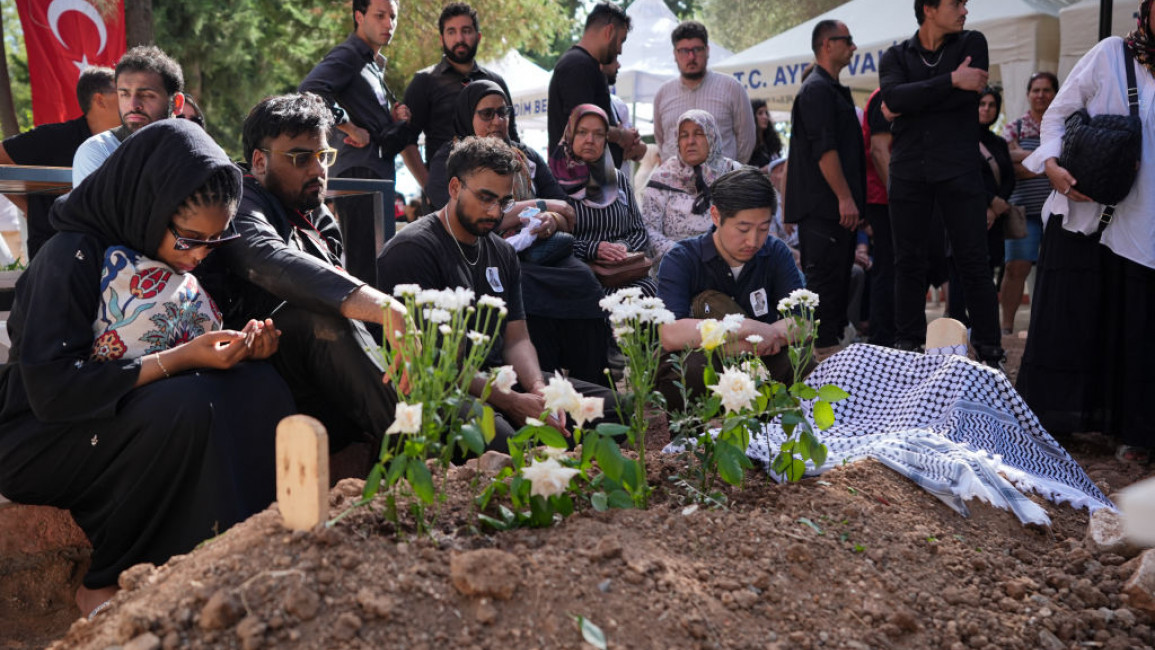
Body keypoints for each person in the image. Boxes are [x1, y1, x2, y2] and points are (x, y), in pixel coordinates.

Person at [0, 120, 294, 619]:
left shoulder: (173, 255)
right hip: (42, 434)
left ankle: (244, 559)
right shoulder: (71, 257)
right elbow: (53, 392)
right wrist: (181, 358)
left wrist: (241, 349)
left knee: (258, 384)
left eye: (215, 242)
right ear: (147, 206)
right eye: (190, 240)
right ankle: (108, 580)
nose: (201, 255)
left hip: (129, 411)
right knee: (185, 406)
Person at [195, 92, 406, 466]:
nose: (318, 169)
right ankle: (424, 457)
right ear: (259, 161)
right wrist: (386, 308)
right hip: (248, 366)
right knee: (323, 318)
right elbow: (267, 258)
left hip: (320, 377)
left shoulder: (317, 214)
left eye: (323, 156)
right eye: (300, 158)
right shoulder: (239, 197)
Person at [377, 137, 617, 447]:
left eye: (504, 202)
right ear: (453, 188)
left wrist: (537, 389)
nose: (494, 212)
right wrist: (513, 402)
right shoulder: (413, 251)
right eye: (485, 197)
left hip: (501, 378)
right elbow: (435, 366)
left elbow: (517, 338)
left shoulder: (502, 252)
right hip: (440, 388)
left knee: (615, 410)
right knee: (505, 441)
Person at [1017, 1, 1155, 462]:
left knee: (1133, 328)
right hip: (1081, 213)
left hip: (1141, 226)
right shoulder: (1111, 54)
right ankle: (1053, 423)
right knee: (1068, 320)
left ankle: (1130, 432)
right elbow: (1057, 115)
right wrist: (1052, 167)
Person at [421, 81, 611, 385]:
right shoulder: (452, 158)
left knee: (583, 280)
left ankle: (592, 384)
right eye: (486, 114)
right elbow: (470, 214)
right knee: (525, 290)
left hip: (544, 249)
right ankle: (539, 383)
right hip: (486, 252)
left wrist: (549, 220)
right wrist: (542, 205)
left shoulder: (527, 157)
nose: (497, 121)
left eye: (503, 112)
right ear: (467, 116)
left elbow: (569, 216)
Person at [879, 0, 1004, 368]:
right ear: (929, 8)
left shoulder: (972, 43)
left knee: (973, 262)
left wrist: (913, 98)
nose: (965, 9)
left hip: (960, 169)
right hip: (908, 171)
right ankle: (908, 345)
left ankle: (990, 351)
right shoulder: (895, 55)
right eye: (956, 3)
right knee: (908, 262)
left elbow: (907, 101)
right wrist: (950, 80)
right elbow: (892, 99)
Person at [655, 167, 805, 409]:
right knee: (689, 367)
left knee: (803, 362)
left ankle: (774, 422)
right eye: (743, 229)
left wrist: (750, 344)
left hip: (761, 360)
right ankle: (693, 430)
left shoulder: (776, 252)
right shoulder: (681, 259)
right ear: (716, 216)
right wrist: (745, 329)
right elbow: (671, 334)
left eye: (764, 228)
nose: (753, 241)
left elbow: (802, 322)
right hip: (707, 364)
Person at [300, 0, 411, 287]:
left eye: (393, 17)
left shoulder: (370, 63)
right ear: (359, 17)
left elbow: (370, 118)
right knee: (366, 269)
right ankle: (367, 331)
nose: (389, 24)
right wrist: (347, 124)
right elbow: (310, 90)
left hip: (375, 177)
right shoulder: (349, 54)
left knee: (376, 266)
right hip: (360, 178)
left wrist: (393, 119)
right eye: (380, 15)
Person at [785, 19, 866, 358]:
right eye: (847, 40)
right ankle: (819, 362)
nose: (853, 47)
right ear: (827, 44)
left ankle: (829, 358)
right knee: (823, 288)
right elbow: (824, 150)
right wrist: (845, 198)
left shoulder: (830, 88)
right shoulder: (816, 89)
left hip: (835, 209)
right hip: (823, 208)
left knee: (836, 285)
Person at [0, 67, 118, 259]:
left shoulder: (128, 141)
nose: (133, 101)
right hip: (55, 259)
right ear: (100, 100)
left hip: (110, 257)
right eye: (123, 93)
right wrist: (30, 209)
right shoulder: (53, 137)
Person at [400, 2, 520, 191]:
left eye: (466, 31)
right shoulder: (425, 81)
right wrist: (431, 187)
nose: (460, 38)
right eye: (451, 32)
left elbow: (512, 137)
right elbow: (406, 141)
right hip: (446, 189)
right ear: (441, 39)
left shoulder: (495, 82)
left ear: (478, 36)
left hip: (494, 191)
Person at [551, 104, 656, 297]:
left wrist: (622, 248)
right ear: (570, 134)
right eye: (582, 132)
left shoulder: (617, 179)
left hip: (620, 272)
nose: (590, 140)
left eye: (598, 134)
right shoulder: (552, 179)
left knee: (649, 291)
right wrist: (593, 249)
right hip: (577, 273)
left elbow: (639, 231)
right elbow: (547, 239)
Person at [947, 86, 1014, 327]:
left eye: (991, 105)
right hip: (965, 215)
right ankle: (956, 325)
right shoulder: (959, 138)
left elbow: (1009, 178)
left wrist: (997, 205)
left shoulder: (999, 142)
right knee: (960, 270)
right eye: (981, 104)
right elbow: (962, 176)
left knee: (987, 270)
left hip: (994, 219)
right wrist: (988, 201)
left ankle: (983, 326)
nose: (986, 109)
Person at [641, 109, 743, 265]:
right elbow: (649, 228)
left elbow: (749, 219)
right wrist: (684, 255)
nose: (690, 141)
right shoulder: (663, 177)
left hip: (727, 259)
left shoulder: (733, 173)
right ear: (678, 142)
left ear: (711, 136)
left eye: (698, 133)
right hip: (677, 261)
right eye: (684, 135)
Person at [72, 46, 185, 185]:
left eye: (147, 95)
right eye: (124, 95)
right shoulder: (98, 151)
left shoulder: (193, 151)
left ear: (177, 103)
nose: (133, 105)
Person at [547, 2, 641, 169]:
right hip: (578, 185)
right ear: (609, 31)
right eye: (621, 41)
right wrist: (621, 136)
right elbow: (582, 126)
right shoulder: (578, 65)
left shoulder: (587, 66)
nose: (619, 50)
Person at [999, 72, 1058, 335]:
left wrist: (1027, 161)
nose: (1041, 95)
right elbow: (1008, 164)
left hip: (1059, 213)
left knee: (1056, 272)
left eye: (1046, 90)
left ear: (1055, 94)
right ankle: (1007, 328)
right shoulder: (1016, 127)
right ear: (1027, 94)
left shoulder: (1062, 125)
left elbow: (1021, 164)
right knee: (1016, 269)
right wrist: (1050, 163)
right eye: (1036, 90)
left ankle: (1049, 329)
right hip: (1023, 211)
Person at [652, 21, 756, 164]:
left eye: (697, 49)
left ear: (707, 50)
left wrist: (728, 176)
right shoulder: (662, 94)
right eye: (684, 51)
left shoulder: (732, 89)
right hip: (676, 184)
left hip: (722, 183)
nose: (691, 57)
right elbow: (661, 140)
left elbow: (746, 141)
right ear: (675, 54)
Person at [748, 98, 783, 168]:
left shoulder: (772, 142)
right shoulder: (748, 146)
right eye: (760, 113)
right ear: (752, 116)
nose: (765, 117)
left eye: (766, 113)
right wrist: (764, 170)